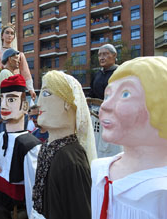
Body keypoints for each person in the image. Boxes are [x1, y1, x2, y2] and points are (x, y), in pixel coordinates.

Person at [92, 57, 167, 219]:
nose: (104, 105)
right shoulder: (99, 171)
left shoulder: (161, 191)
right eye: (107, 95)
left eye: (125, 94)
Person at [32, 70, 97, 219]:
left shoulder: (70, 159)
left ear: (68, 104)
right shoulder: (50, 149)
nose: (39, 103)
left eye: (47, 94)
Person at [0, 75, 41, 217]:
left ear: (24, 106)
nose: (4, 105)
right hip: (0, 197)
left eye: (11, 99)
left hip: (20, 205)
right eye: (2, 99)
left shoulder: (31, 145)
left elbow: (35, 186)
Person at [0, 23, 36, 112]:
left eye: (12, 33)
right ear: (2, 35)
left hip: (16, 85)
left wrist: (31, 89)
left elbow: (26, 73)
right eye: (7, 33)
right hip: (0, 87)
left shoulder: (19, 54)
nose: (9, 35)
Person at [0, 48, 20, 136]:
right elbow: (7, 97)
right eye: (16, 58)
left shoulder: (8, 73)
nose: (18, 61)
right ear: (9, 59)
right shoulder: (5, 73)